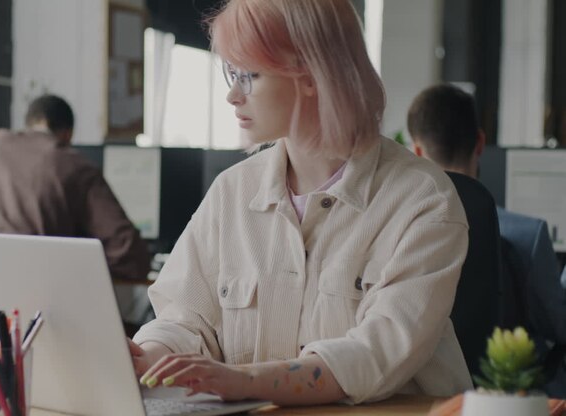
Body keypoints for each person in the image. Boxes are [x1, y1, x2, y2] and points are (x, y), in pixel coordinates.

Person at [129, 0, 472, 406]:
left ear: (311, 74)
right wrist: (145, 357)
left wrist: (245, 381)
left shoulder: (421, 199)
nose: (232, 95)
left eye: (249, 75)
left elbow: (375, 354)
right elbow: (184, 320)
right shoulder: (232, 193)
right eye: (231, 74)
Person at [408, 83, 566, 397]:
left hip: (424, 392)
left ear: (417, 151)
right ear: (480, 142)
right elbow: (559, 327)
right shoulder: (528, 235)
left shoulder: (404, 235)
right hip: (507, 396)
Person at [0, 94, 151, 281]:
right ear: (68, 134)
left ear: (29, 123)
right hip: (39, 303)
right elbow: (128, 252)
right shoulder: (69, 162)